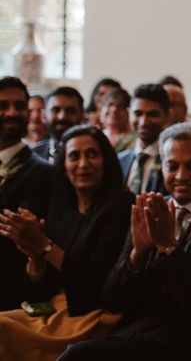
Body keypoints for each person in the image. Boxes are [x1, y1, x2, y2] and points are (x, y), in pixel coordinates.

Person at [59, 123, 191, 361]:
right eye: (172, 166)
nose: (181, 176)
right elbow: (113, 300)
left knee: (77, 356)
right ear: (162, 167)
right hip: (135, 330)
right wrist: (137, 255)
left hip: (188, 341)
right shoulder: (151, 208)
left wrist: (168, 249)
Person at [0, 126, 133, 360]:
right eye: (74, 156)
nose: (83, 164)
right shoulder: (61, 207)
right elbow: (42, 288)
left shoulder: (121, 204)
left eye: (92, 154)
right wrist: (35, 260)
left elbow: (98, 283)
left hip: (92, 314)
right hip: (55, 307)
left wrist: (45, 247)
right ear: (64, 166)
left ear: (106, 161)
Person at [0, 77, 53, 310]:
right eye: (3, 106)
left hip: (10, 292)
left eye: (20, 106)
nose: (12, 113)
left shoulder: (42, 172)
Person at [118, 84, 169, 194]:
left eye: (152, 114)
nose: (144, 122)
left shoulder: (170, 162)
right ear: (129, 113)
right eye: (138, 113)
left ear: (167, 116)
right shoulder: (119, 161)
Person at [32, 87, 84, 163]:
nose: (62, 117)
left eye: (70, 111)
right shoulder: (32, 155)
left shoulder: (95, 155)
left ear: (82, 115)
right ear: (44, 115)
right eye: (56, 110)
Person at [100, 88, 135, 153]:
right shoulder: (98, 137)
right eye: (110, 105)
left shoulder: (135, 140)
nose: (114, 109)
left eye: (121, 106)